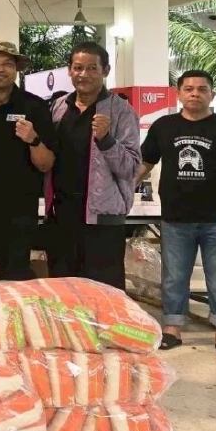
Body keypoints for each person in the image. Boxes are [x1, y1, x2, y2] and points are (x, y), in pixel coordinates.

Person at [137, 71, 216, 361]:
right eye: (188, 89)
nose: (195, 94)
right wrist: (120, 188)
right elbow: (145, 163)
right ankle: (172, 328)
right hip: (176, 217)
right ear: (178, 93)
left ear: (212, 94)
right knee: (174, 277)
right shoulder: (164, 126)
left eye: (202, 89)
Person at [49, 42, 141, 289]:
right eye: (78, 68)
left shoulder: (121, 111)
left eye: (92, 68)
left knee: (104, 292)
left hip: (102, 218)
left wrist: (107, 139)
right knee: (63, 290)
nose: (84, 74)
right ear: (69, 71)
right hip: (62, 214)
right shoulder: (59, 107)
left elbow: (131, 168)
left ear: (105, 70)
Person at [0, 41, 56, 283]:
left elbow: (46, 164)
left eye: (7, 63)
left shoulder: (34, 106)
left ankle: (13, 322)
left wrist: (34, 139)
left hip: (18, 211)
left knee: (16, 280)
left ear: (16, 68)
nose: (0, 69)